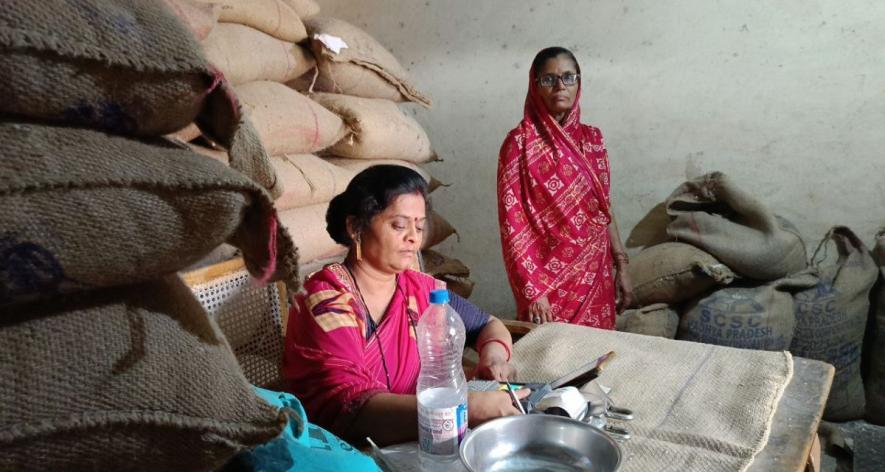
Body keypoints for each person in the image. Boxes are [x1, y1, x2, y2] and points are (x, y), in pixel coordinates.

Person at [282, 165, 528, 446]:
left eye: (419, 226)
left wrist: (494, 357)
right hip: (347, 451)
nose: (414, 237)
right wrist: (465, 408)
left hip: (418, 436)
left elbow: (487, 325)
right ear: (355, 228)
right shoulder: (327, 300)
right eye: (399, 225)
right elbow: (350, 412)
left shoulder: (419, 290)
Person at [497, 46, 633, 328]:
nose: (560, 86)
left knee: (596, 359)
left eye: (569, 77)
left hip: (595, 271)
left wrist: (621, 264)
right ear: (535, 86)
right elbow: (513, 224)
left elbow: (604, 208)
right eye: (549, 79)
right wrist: (534, 290)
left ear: (579, 83)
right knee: (551, 360)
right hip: (546, 279)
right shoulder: (519, 145)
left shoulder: (592, 139)